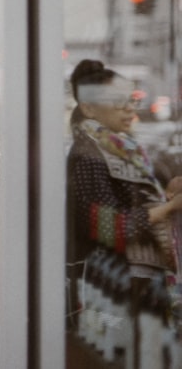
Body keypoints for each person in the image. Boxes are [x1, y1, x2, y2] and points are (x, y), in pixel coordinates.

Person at [65, 59, 182, 327]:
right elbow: (103, 228)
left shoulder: (126, 150)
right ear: (88, 108)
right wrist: (167, 208)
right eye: (118, 101)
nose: (129, 108)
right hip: (109, 292)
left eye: (132, 100)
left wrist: (166, 195)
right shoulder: (88, 155)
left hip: (134, 287)